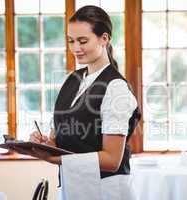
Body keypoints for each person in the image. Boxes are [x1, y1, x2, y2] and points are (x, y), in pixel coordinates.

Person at [24, 5, 141, 200]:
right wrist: (46, 144)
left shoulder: (115, 88)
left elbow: (112, 159)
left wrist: (58, 159)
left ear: (104, 38)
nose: (75, 48)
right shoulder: (72, 80)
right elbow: (60, 138)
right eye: (71, 41)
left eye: (83, 41)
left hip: (106, 191)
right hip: (72, 185)